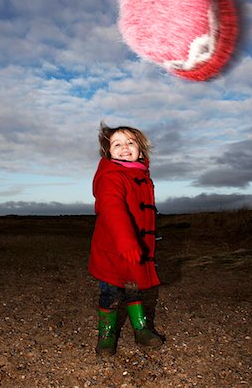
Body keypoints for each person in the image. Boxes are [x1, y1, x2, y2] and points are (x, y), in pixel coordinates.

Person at [88, 122, 163, 356]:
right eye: (117, 144)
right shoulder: (110, 176)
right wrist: (126, 241)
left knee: (134, 289)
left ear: (141, 149)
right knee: (111, 292)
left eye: (131, 142)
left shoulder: (141, 175)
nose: (124, 147)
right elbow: (112, 209)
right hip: (113, 248)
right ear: (107, 152)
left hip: (135, 249)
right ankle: (107, 335)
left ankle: (141, 329)